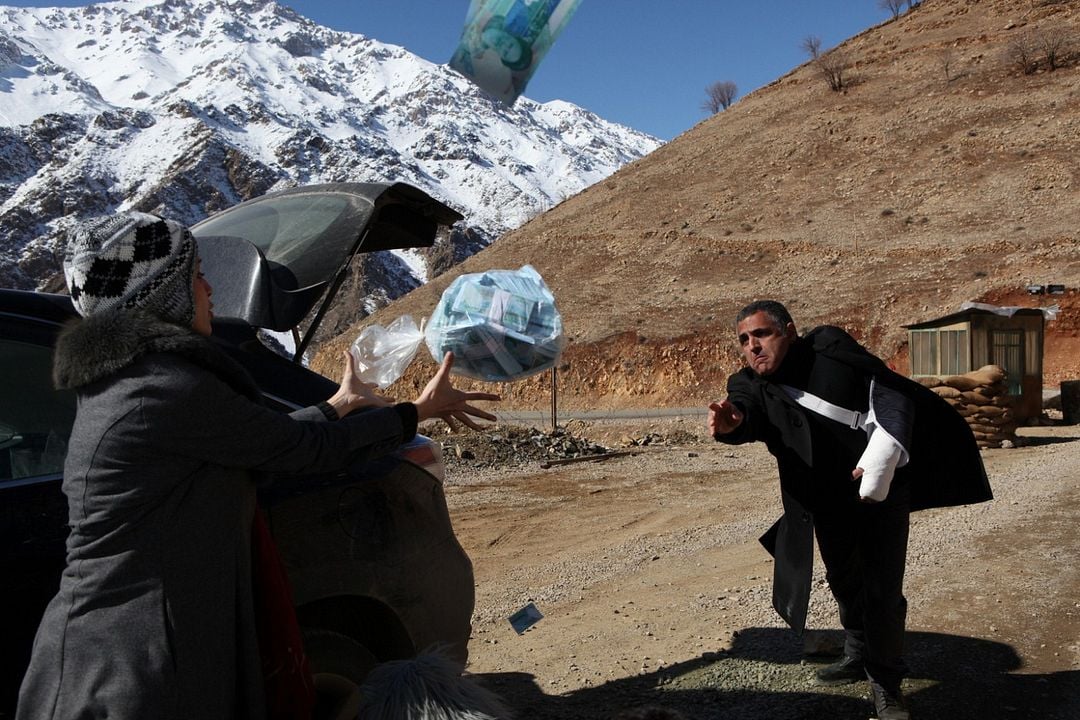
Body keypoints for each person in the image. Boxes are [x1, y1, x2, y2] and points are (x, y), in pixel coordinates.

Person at [16, 212, 499, 720]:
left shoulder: (131, 383)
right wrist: (417, 412)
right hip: (137, 665)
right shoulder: (163, 390)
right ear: (164, 294)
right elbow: (300, 451)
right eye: (196, 275)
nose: (209, 290)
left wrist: (338, 404)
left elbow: (254, 443)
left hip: (113, 647)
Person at [707, 300, 991, 720]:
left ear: (788, 330)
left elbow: (887, 387)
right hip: (825, 503)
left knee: (882, 591)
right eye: (744, 340)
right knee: (843, 580)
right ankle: (856, 653)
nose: (752, 346)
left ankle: (886, 685)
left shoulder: (830, 348)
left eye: (761, 334)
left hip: (880, 492)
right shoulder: (750, 385)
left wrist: (887, 450)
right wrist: (733, 422)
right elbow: (744, 412)